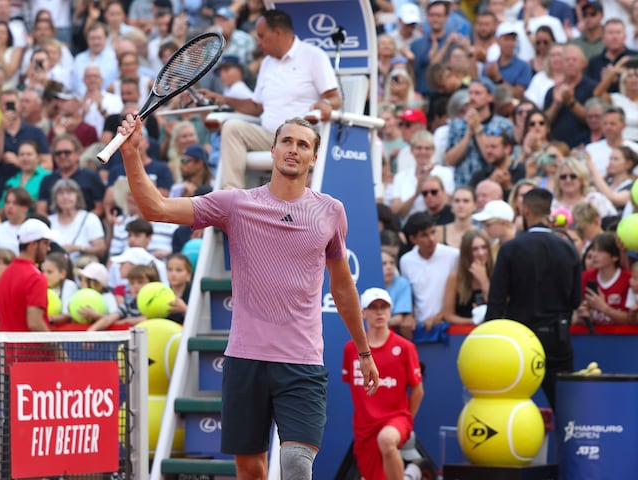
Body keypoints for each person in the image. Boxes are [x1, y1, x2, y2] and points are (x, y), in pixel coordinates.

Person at [117, 113, 379, 478]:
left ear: (314, 158)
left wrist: (365, 351)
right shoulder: (235, 204)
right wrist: (131, 154)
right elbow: (155, 209)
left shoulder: (331, 212)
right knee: (250, 469)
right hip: (245, 360)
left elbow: (342, 287)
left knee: (296, 462)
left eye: (303, 144)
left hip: (302, 362)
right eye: (287, 141)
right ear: (272, 150)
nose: (293, 149)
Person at [201, 9, 342, 190]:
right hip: (270, 136)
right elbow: (256, 106)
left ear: (277, 33)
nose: (258, 43)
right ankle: (232, 196)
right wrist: (223, 99)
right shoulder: (267, 62)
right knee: (231, 127)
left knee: (289, 134)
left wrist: (326, 104)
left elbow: (335, 98)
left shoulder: (313, 56)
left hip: (300, 139)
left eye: (261, 36)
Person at [486, 188, 582, 410]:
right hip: (557, 339)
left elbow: (496, 301)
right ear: (548, 211)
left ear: (525, 210)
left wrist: (489, 339)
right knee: (566, 409)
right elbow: (575, 300)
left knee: (505, 407)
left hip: (518, 341)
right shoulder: (568, 249)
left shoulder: (510, 249)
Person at [342, 287, 424, 480]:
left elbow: (418, 390)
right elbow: (354, 387)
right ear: (363, 312)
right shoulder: (350, 349)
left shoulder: (405, 348)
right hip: (364, 427)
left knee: (387, 440)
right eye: (373, 307)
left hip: (396, 420)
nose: (379, 312)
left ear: (391, 310)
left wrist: (406, 420)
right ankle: (412, 474)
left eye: (384, 307)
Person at [0, 218, 55, 333]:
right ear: (33, 244)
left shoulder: (5, 274)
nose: (48, 249)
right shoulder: (36, 277)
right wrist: (58, 350)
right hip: (31, 350)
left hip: (7, 349)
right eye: (45, 243)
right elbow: (35, 323)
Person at [575, 232, 632, 325]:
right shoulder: (584, 277)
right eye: (593, 250)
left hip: (621, 338)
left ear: (615, 256)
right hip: (591, 337)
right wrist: (581, 314)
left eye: (600, 251)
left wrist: (603, 308)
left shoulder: (629, 279)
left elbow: (631, 320)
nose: (594, 255)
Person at [442, 230, 493, 325]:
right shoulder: (455, 278)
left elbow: (498, 309)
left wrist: (484, 281)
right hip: (464, 333)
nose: (481, 253)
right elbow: (448, 315)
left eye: (484, 247)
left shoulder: (496, 273)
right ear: (466, 253)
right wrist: (473, 321)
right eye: (475, 249)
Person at [41, 251, 79, 326]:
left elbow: (67, 315)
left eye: (49, 272)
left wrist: (46, 320)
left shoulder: (69, 285)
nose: (44, 275)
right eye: (43, 271)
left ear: (62, 274)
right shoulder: (42, 286)